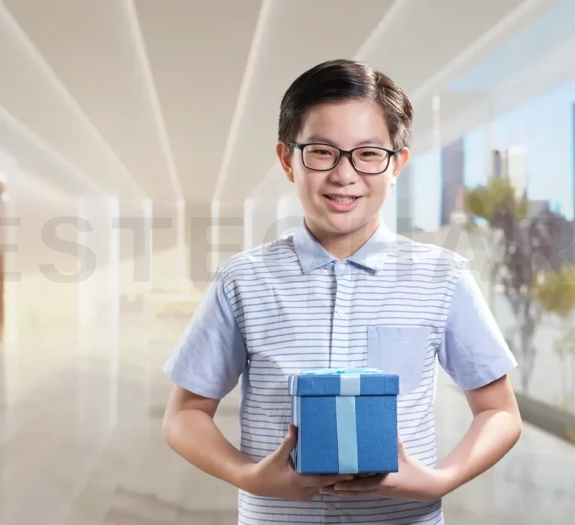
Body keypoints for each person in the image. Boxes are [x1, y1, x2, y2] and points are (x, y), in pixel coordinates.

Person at [160, 59, 522, 524]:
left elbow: (499, 411)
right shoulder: (243, 282)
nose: (344, 174)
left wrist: (440, 479)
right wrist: (251, 476)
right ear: (288, 159)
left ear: (397, 165)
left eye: (369, 154)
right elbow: (185, 414)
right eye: (322, 152)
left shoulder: (443, 277)